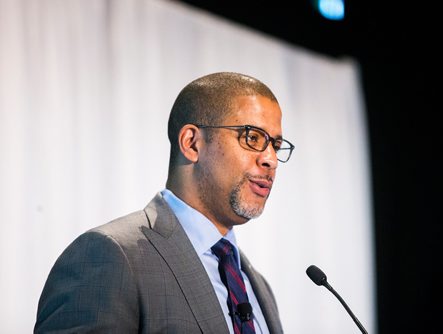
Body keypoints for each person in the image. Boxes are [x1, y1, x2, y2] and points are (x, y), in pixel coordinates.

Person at [35, 72, 294, 333]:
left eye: (276, 145)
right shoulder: (110, 256)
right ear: (192, 143)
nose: (270, 159)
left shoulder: (257, 286)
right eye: (253, 138)